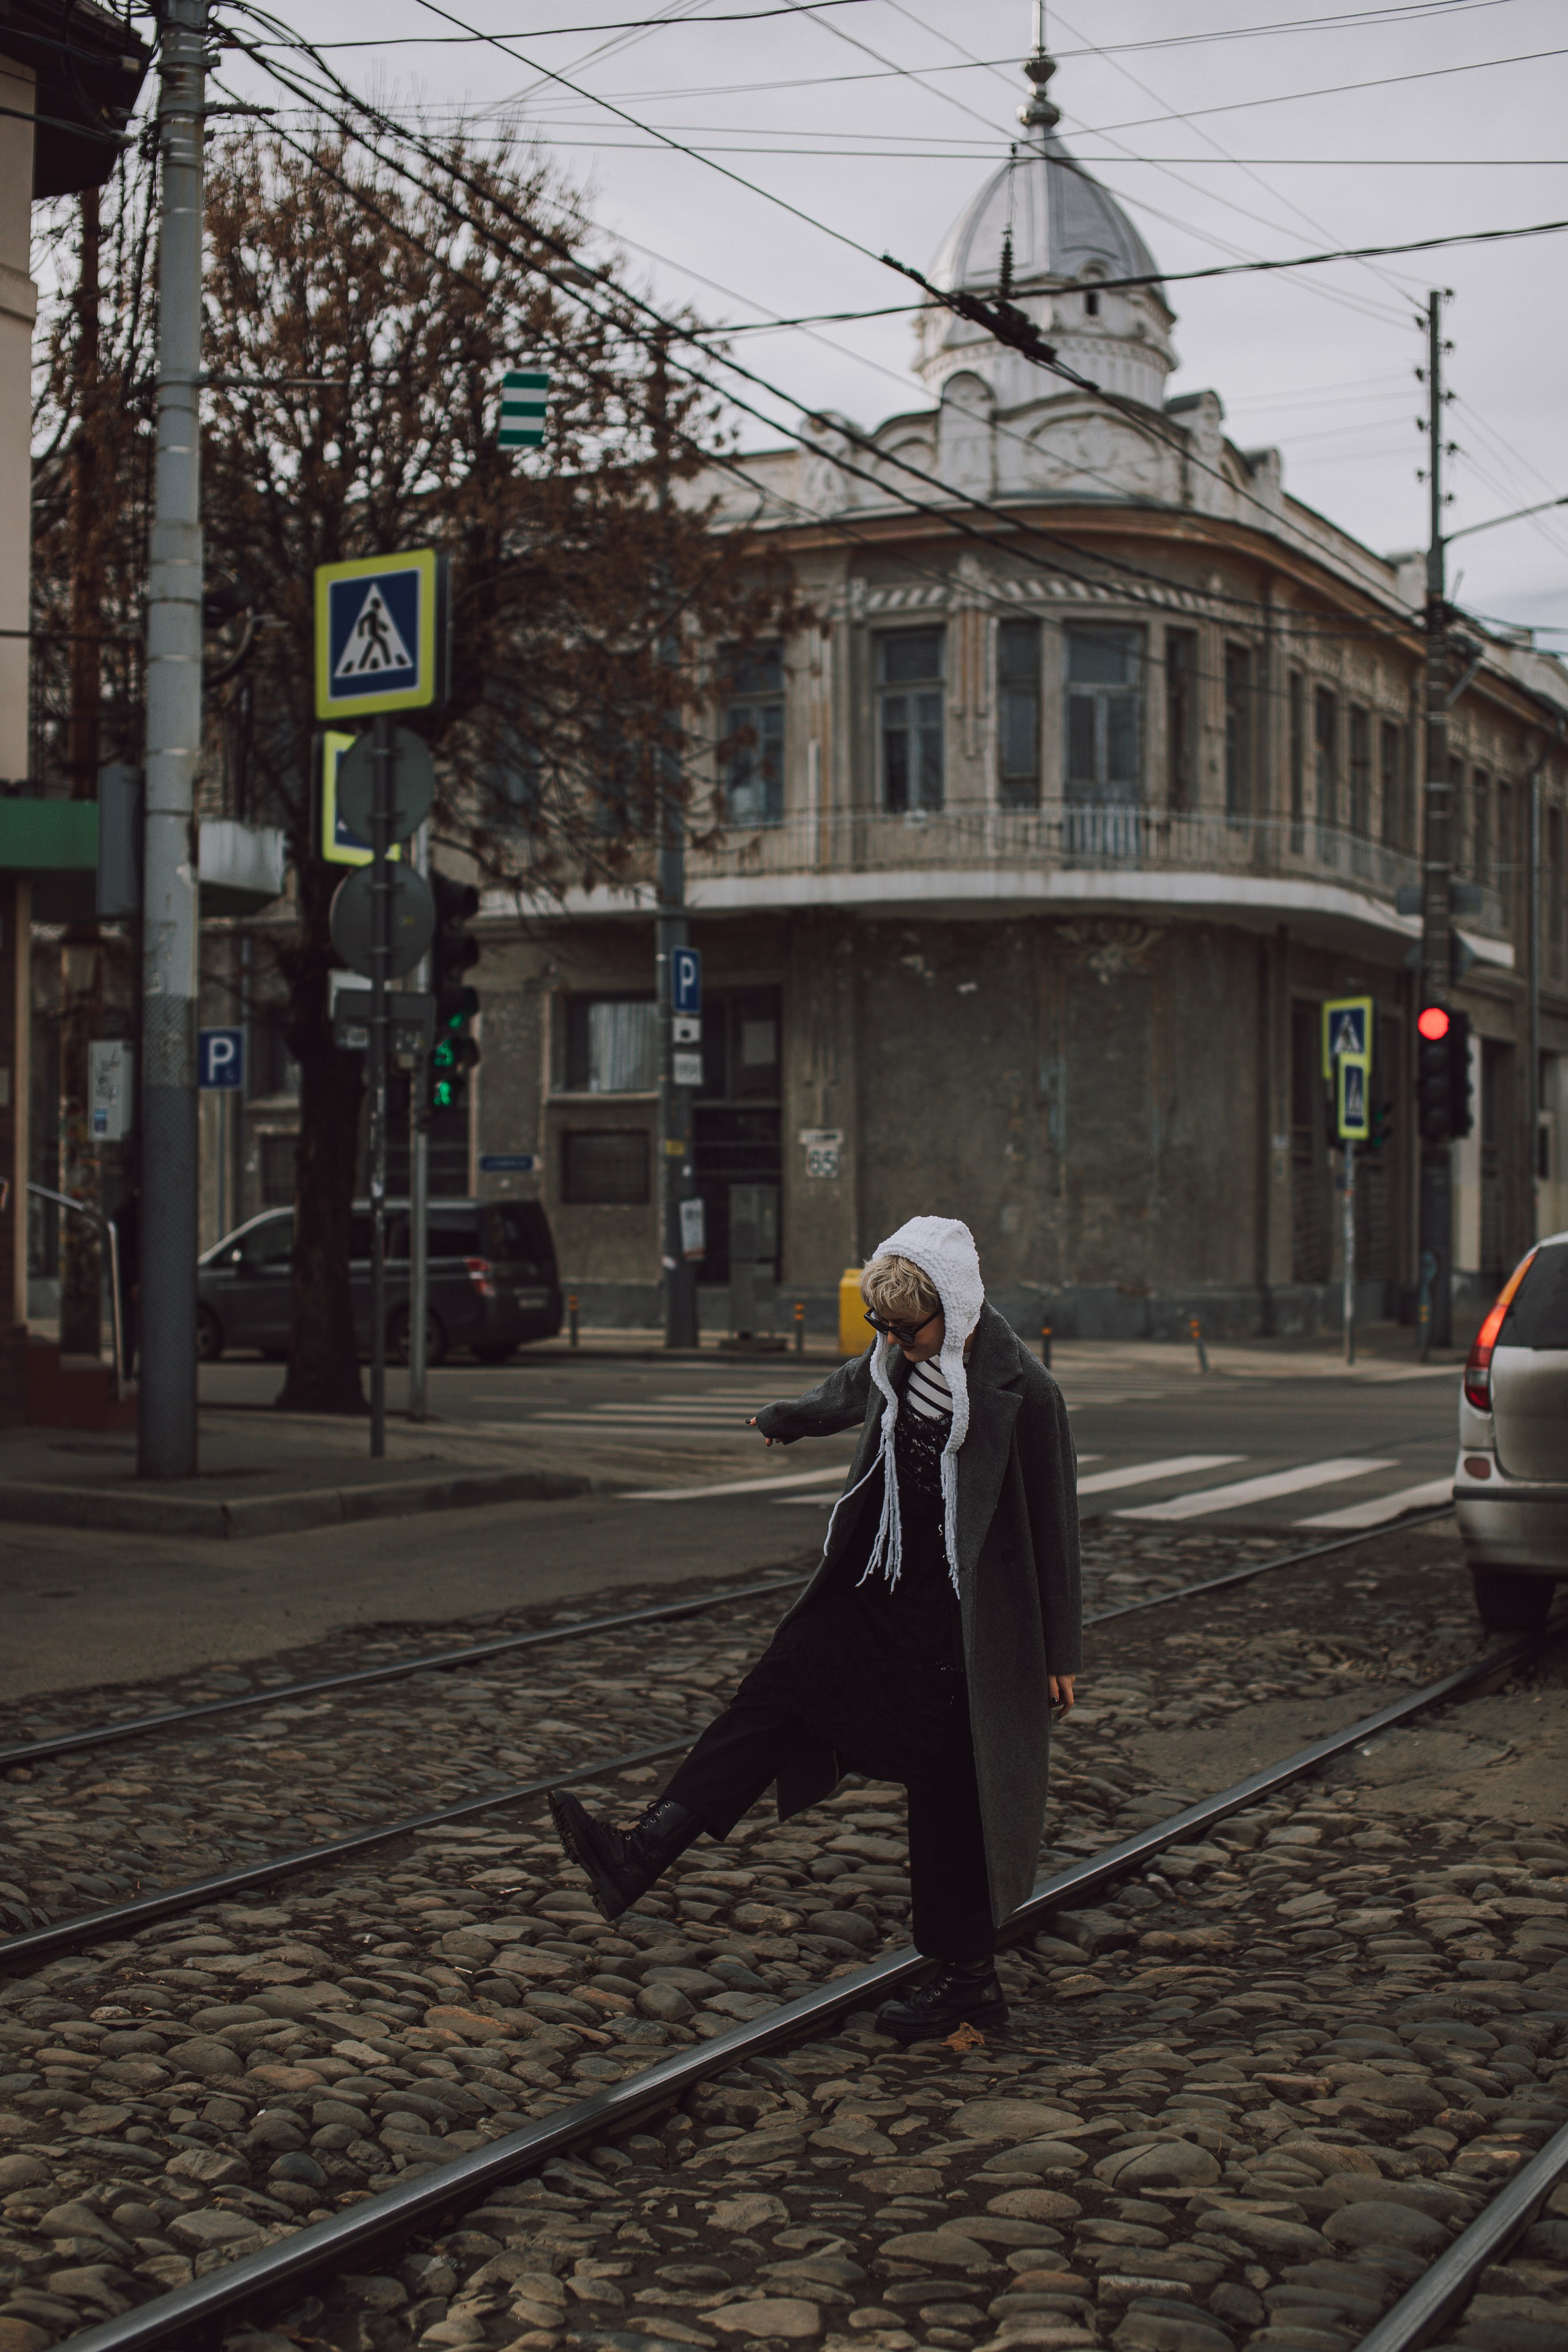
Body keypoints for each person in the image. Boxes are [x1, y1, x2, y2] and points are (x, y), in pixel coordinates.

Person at [548, 1215, 1080, 2044]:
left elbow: (1055, 1522)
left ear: (958, 1307)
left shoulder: (1026, 1393)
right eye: (885, 1327)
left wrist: (1061, 1652)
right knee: (775, 1691)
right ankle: (640, 1852)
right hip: (876, 1596)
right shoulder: (892, 1363)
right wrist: (784, 1417)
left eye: (910, 1328)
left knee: (951, 1798)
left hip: (963, 1630)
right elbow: (844, 1392)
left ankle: (969, 1982)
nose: (897, 1344)